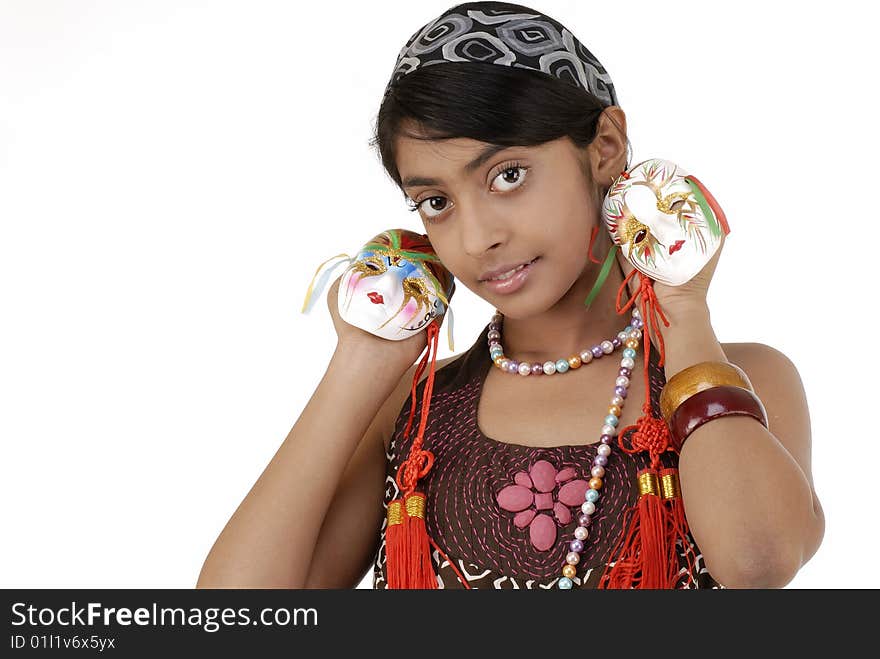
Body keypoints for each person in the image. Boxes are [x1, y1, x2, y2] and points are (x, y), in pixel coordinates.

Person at [196, 1, 824, 590]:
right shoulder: (410, 414)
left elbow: (757, 561)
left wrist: (683, 310)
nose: (476, 239)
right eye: (435, 202)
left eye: (508, 175)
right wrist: (360, 361)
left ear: (605, 148)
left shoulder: (747, 380)